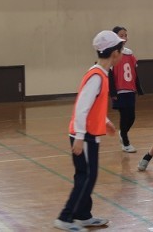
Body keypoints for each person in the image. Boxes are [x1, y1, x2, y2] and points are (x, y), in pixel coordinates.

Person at [54, 30, 125, 232]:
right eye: (121, 50)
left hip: (87, 134)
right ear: (114, 53)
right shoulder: (97, 76)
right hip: (83, 136)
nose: (122, 53)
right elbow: (81, 108)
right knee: (86, 177)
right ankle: (65, 217)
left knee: (86, 176)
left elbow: (93, 105)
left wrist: (105, 121)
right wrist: (79, 137)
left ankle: (83, 215)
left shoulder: (101, 74)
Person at [109, 26, 144, 153]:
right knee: (124, 116)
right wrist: (113, 92)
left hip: (130, 90)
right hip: (119, 91)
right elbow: (110, 75)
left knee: (131, 117)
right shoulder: (112, 54)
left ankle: (122, 133)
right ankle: (125, 142)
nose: (124, 37)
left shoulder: (129, 53)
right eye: (121, 35)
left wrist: (138, 88)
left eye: (125, 35)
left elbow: (134, 72)